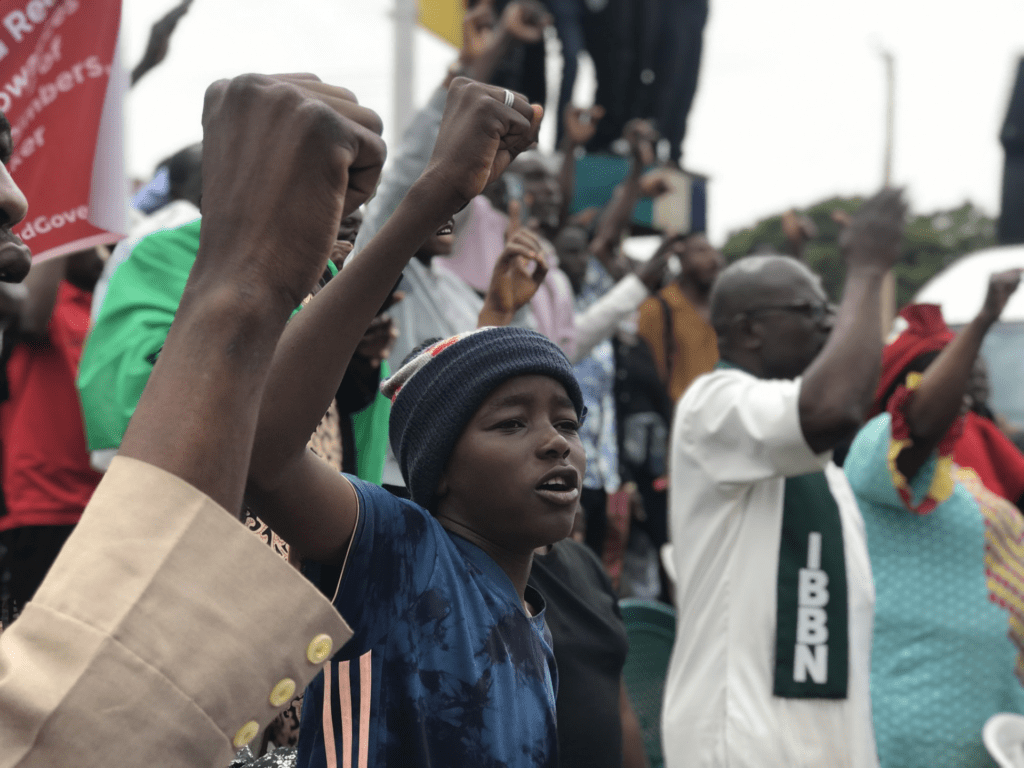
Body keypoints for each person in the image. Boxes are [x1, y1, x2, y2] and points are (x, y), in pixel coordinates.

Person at [0, 72, 382, 767]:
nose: (14, 196)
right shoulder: (164, 255)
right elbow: (63, 738)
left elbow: (351, 468)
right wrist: (245, 284)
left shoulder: (322, 291)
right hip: (119, 557)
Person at [241, 78, 586, 767]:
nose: (555, 441)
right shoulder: (398, 551)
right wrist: (432, 199)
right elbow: (265, 458)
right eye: (512, 425)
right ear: (440, 469)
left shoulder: (535, 627)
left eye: (568, 422)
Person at [661, 188, 907, 767]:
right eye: (810, 312)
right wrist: (868, 270)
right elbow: (832, 408)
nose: (828, 326)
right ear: (747, 330)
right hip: (738, 738)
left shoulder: (823, 470)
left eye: (830, 309)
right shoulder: (713, 405)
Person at [843, 276, 1024, 768]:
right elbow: (920, 421)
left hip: (990, 705)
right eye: (954, 371)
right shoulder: (873, 452)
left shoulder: (962, 477)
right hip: (924, 714)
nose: (969, 383)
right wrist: (984, 320)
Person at [0, 248, 104, 624]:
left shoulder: (103, 302)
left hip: (99, 505)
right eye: (88, 242)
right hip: (41, 505)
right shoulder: (43, 301)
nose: (100, 249)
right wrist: (67, 223)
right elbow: (31, 318)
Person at [636, 230, 722, 402]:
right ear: (681, 260)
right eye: (700, 251)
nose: (713, 259)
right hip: (678, 418)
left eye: (713, 251)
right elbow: (650, 378)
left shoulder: (724, 308)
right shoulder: (657, 309)